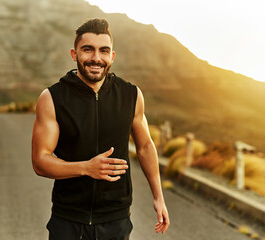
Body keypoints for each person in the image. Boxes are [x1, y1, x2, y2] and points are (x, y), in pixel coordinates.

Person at [31, 18, 170, 240]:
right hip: (68, 220)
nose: (96, 58)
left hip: (116, 220)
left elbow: (144, 146)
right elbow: (40, 161)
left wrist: (158, 197)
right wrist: (86, 168)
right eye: (88, 50)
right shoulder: (52, 98)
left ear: (112, 56)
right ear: (74, 54)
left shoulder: (131, 95)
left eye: (104, 51)